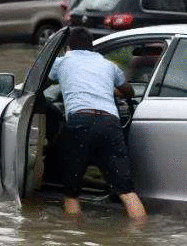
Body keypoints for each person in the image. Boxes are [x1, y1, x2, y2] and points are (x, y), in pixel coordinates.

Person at [48, 27, 147, 220]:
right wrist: (107, 91)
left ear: (68, 47)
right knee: (126, 190)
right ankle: (138, 239)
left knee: (71, 192)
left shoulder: (61, 63)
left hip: (80, 122)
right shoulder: (108, 65)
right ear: (91, 46)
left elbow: (41, 84)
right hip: (110, 123)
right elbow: (128, 91)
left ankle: (74, 241)